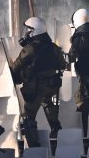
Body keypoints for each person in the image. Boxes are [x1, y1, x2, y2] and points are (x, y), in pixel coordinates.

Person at [10, 17, 66, 148]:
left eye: (28, 30)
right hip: (51, 86)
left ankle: (33, 145)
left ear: (34, 31)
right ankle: (57, 131)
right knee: (47, 102)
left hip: (35, 87)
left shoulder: (29, 49)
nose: (26, 33)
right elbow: (63, 64)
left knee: (28, 115)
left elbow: (16, 66)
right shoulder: (53, 47)